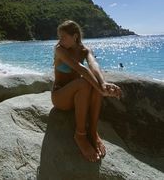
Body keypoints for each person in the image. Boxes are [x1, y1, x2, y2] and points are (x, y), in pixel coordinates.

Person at [51, 20, 122, 162]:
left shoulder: (85, 50)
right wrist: (102, 90)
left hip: (78, 98)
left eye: (63, 37)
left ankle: (92, 131)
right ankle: (80, 135)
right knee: (86, 82)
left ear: (75, 36)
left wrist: (103, 83)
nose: (60, 40)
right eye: (59, 37)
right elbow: (80, 68)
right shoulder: (59, 49)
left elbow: (93, 65)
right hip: (60, 97)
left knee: (94, 82)